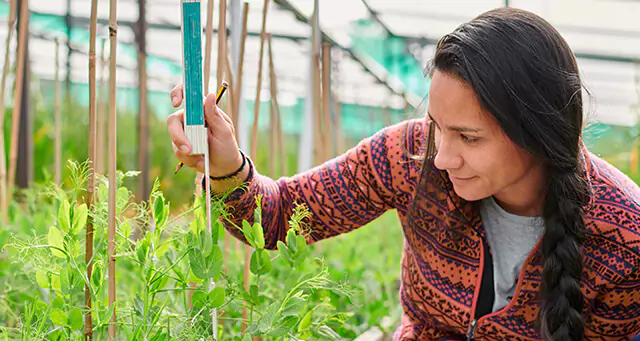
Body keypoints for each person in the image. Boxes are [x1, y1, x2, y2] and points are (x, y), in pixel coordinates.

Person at [166, 7, 640, 341]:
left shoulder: (625, 239)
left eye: (468, 138)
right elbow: (279, 216)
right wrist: (226, 164)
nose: (442, 157)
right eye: (438, 126)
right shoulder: (408, 156)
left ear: (538, 132)